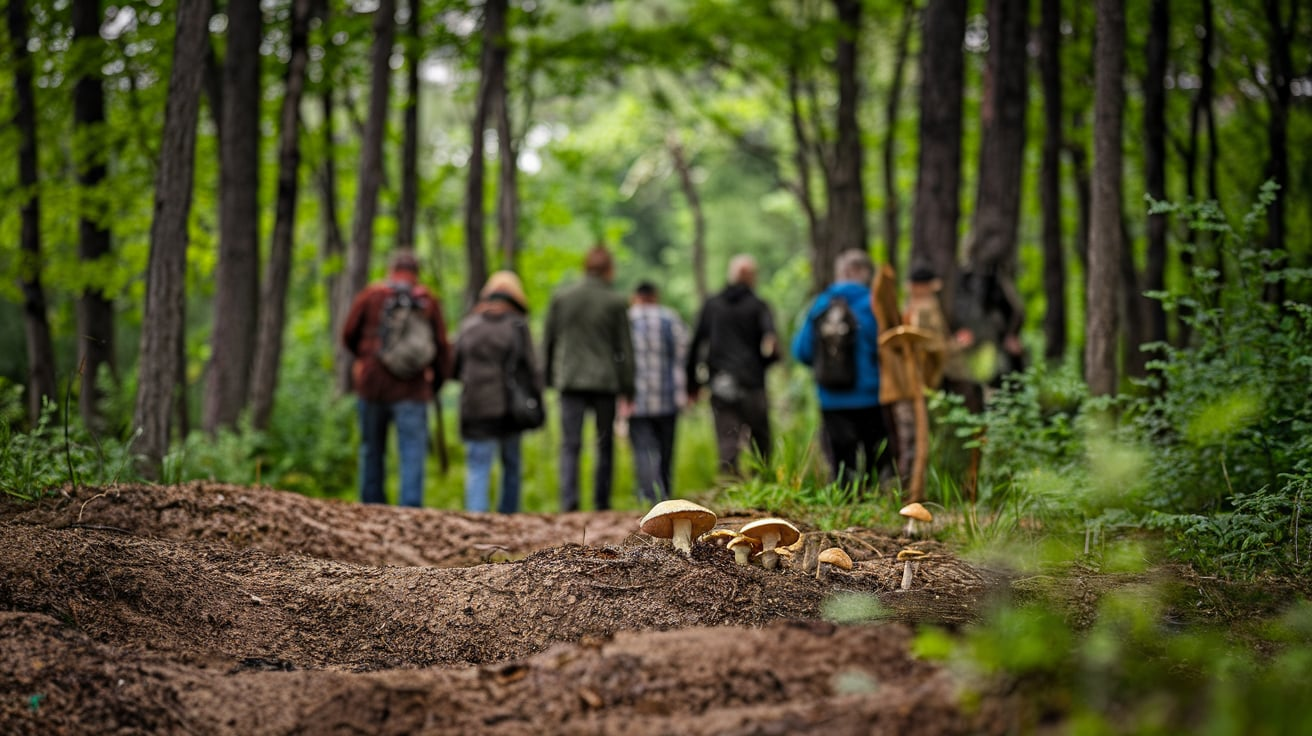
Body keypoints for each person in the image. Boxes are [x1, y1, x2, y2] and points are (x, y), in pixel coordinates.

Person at [341, 249, 452, 507]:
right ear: (416, 273)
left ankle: (372, 507)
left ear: (391, 270)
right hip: (413, 390)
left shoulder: (371, 296)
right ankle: (410, 511)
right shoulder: (427, 301)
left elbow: (348, 334)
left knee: (372, 450)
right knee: (412, 453)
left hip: (372, 386)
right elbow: (442, 349)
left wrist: (366, 359)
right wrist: (433, 384)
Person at [791, 248, 894, 490]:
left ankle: (845, 503)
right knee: (874, 456)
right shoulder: (875, 304)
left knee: (841, 461)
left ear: (841, 272)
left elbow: (801, 351)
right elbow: (889, 350)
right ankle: (872, 501)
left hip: (831, 398)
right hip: (870, 396)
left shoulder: (820, 304)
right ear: (864, 273)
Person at [543, 245, 635, 512]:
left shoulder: (562, 297)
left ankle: (568, 503)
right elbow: (624, 349)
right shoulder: (615, 301)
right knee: (604, 444)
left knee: (570, 443)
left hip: (570, 381)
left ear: (585, 267)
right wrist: (628, 385)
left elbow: (548, 341)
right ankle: (601, 503)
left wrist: (548, 378)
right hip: (605, 383)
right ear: (608, 269)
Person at [453, 271, 540, 513]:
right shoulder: (517, 326)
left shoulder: (468, 325)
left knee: (478, 467)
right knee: (511, 465)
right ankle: (508, 521)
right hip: (509, 408)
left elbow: (453, 366)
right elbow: (531, 369)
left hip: (474, 406)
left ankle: (477, 521)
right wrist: (537, 402)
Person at [686, 254, 781, 476]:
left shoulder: (712, 305)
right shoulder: (759, 306)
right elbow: (772, 346)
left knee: (727, 439)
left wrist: (693, 384)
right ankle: (761, 484)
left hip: (721, 383)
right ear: (752, 278)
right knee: (760, 440)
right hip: (753, 384)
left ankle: (730, 488)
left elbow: (696, 344)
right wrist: (764, 365)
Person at [624, 281, 689, 505]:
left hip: (636, 399)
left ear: (636, 296)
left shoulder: (627, 319)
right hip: (667, 397)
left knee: (643, 450)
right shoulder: (670, 318)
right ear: (655, 295)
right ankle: (665, 495)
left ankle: (649, 496)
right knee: (666, 449)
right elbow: (684, 353)